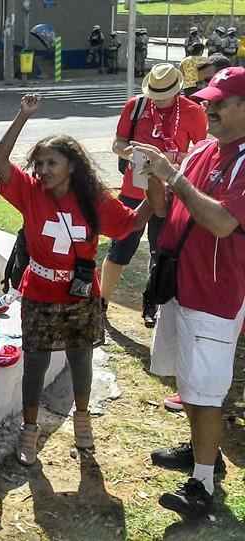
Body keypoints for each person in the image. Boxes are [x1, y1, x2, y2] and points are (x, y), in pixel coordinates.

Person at [0, 94, 163, 467]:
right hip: (39, 290)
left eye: (52, 162)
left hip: (80, 294)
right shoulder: (31, 193)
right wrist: (22, 116)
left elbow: (130, 223)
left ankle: (82, 421)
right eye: (39, 163)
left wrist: (152, 185)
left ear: (71, 165)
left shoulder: (94, 199)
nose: (44, 169)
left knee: (80, 358)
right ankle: (30, 428)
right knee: (34, 363)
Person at [133, 67, 245, 520]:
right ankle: (205, 453)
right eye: (208, 100)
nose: (209, 108)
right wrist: (155, 175)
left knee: (207, 391)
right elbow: (163, 209)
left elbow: (222, 222)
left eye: (220, 102)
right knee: (188, 382)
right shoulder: (204, 150)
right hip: (181, 285)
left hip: (215, 295)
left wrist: (174, 177)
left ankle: (202, 486)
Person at [103, 64, 207, 328]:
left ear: (177, 90)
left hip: (171, 193)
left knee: (160, 251)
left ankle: (151, 303)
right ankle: (101, 302)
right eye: (154, 95)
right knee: (120, 248)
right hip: (133, 191)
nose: (158, 101)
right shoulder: (136, 106)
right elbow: (118, 143)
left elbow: (202, 152)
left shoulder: (193, 112)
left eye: (164, 96)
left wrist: (171, 160)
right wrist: (132, 155)